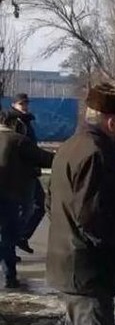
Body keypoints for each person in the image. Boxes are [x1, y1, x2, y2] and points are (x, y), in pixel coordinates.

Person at [46, 83, 115, 324]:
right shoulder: (96, 153)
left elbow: (52, 201)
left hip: (71, 265)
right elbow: (92, 219)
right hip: (89, 272)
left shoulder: (71, 146)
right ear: (111, 123)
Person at [0, 110, 54, 288]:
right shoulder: (17, 140)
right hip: (9, 196)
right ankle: (10, 277)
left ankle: (10, 276)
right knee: (8, 237)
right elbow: (44, 158)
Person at [7, 93, 45, 255]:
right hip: (22, 172)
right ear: (14, 105)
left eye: (26, 103)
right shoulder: (17, 122)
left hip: (28, 171)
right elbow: (19, 148)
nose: (25, 106)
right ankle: (14, 242)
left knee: (34, 207)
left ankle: (16, 240)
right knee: (29, 208)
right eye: (21, 104)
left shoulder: (25, 121)